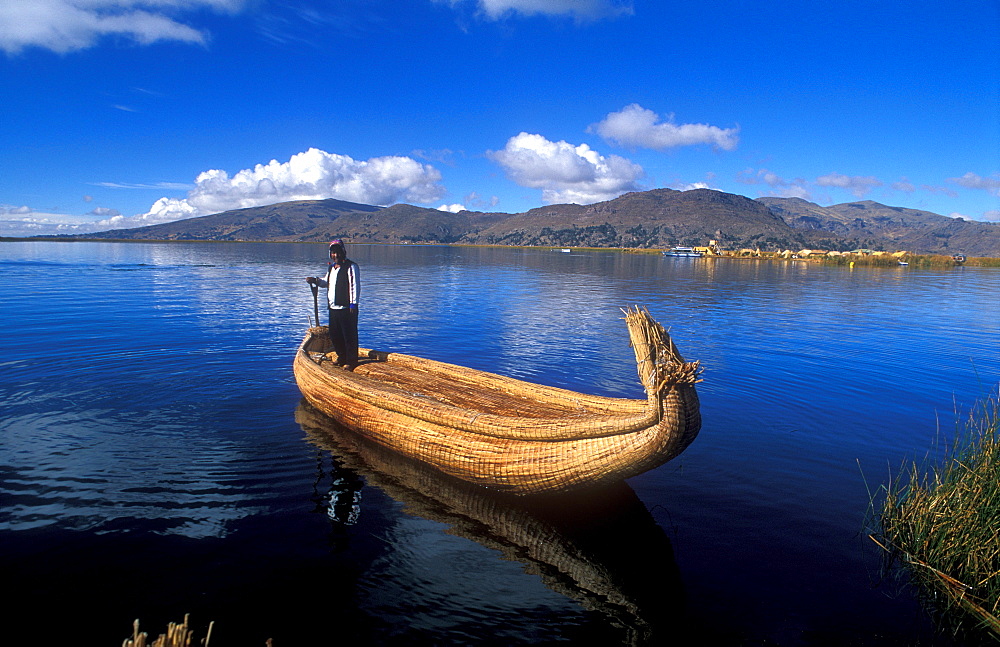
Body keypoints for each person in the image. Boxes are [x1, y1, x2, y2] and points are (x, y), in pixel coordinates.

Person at [306, 240, 360, 368]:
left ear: (343, 252)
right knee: (335, 335)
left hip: (347, 308)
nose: (336, 255)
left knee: (349, 335)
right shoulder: (331, 268)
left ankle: (351, 361)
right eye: (333, 252)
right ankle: (341, 357)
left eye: (338, 252)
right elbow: (326, 282)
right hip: (333, 308)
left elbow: (354, 286)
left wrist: (353, 304)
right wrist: (316, 281)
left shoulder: (351, 267)